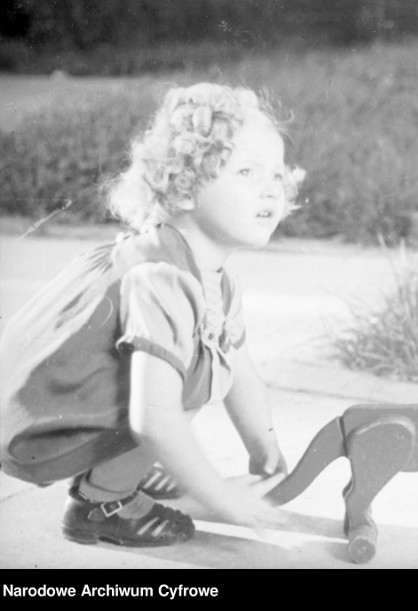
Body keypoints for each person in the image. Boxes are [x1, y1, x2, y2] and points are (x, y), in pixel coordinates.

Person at [0, 82, 305, 546]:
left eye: (277, 176)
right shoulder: (163, 279)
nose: (270, 191)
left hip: (58, 403)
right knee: (191, 375)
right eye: (247, 172)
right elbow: (155, 417)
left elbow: (241, 372)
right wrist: (223, 498)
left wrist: (264, 451)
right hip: (35, 427)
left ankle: (125, 466)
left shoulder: (213, 278)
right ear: (183, 189)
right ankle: (103, 502)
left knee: (204, 363)